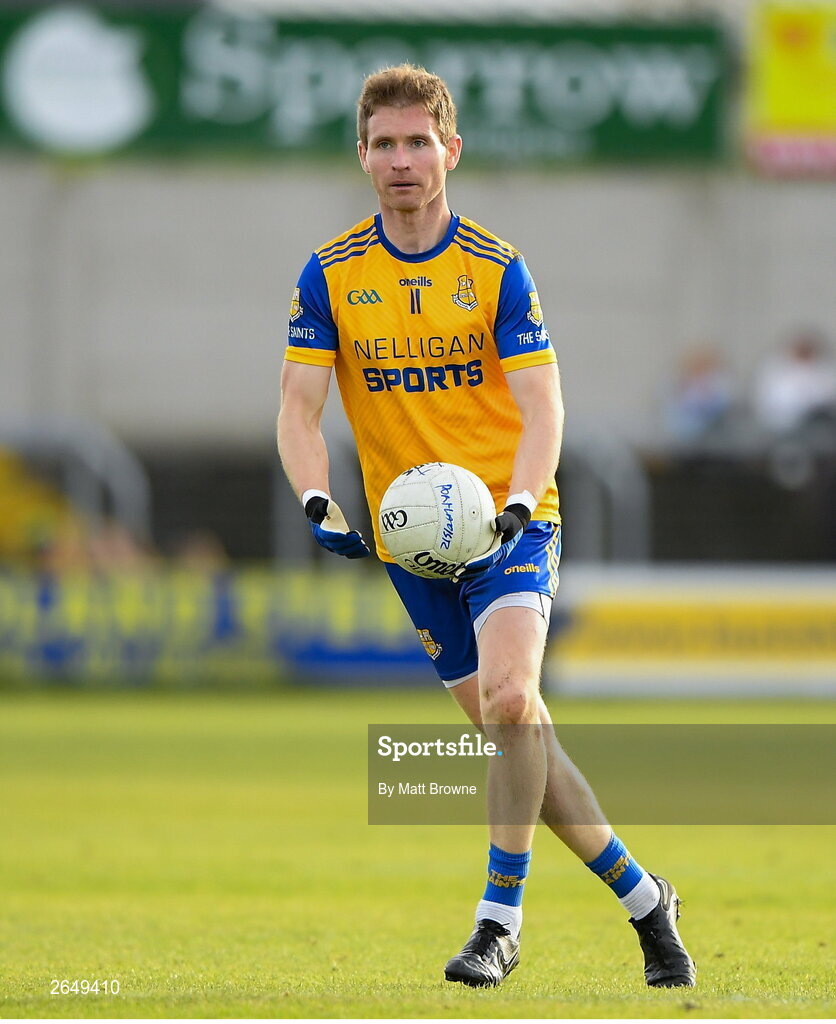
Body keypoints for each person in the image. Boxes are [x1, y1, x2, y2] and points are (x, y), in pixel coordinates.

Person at [277, 64, 695, 990]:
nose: (400, 160)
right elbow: (298, 410)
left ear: (450, 151)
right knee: (520, 739)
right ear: (362, 157)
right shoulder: (332, 272)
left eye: (417, 141)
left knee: (511, 704)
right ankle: (645, 900)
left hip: (511, 522)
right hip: (414, 546)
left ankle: (496, 925)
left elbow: (544, 407)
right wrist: (317, 500)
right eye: (383, 144)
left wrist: (515, 502)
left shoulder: (498, 268)